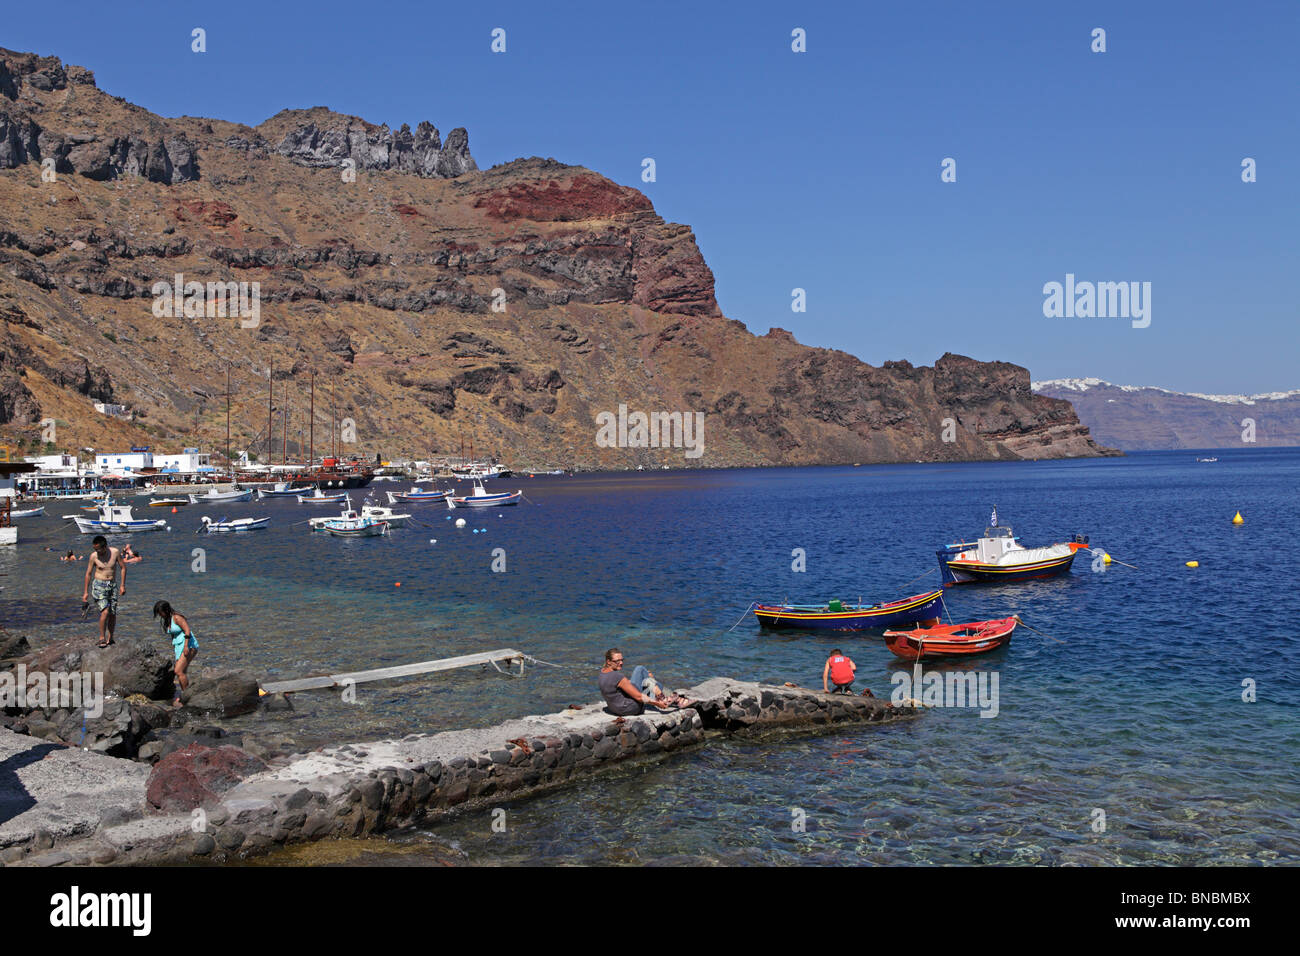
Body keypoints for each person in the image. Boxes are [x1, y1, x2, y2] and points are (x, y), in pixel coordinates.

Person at [598, 648, 692, 715]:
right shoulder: (617, 676)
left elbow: (620, 688)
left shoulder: (602, 673)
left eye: (622, 660)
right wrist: (657, 704)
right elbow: (638, 697)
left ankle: (665, 696)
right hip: (632, 708)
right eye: (617, 661)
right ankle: (671, 699)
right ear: (608, 661)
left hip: (615, 708)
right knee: (640, 670)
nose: (621, 663)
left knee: (646, 679)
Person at [82, 535, 125, 648]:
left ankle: (110, 637)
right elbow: (88, 574)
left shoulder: (115, 552)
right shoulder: (93, 556)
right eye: (95, 549)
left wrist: (122, 585)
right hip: (99, 585)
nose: (97, 552)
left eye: (98, 549)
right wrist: (85, 592)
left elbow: (123, 567)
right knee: (105, 612)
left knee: (112, 613)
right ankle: (102, 637)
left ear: (105, 546)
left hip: (112, 585)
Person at [154, 600, 199, 707]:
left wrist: (186, 646)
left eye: (160, 612)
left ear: (166, 610)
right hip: (178, 646)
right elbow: (173, 634)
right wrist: (175, 647)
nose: (159, 615)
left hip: (188, 645)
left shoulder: (177, 617)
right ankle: (187, 694)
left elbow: (187, 630)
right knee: (182, 671)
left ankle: (186, 696)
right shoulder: (167, 619)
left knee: (178, 671)